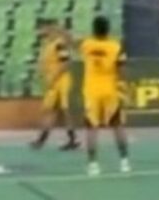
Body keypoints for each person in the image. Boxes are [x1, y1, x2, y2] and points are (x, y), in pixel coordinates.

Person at [79, 14, 131, 176]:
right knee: (117, 126)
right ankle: (124, 161)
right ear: (108, 29)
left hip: (92, 92)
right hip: (110, 91)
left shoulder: (87, 45)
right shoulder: (116, 46)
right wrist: (123, 89)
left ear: (93, 29)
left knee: (92, 128)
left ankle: (93, 164)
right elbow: (121, 69)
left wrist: (57, 30)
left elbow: (71, 41)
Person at [30, 18, 73, 149]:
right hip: (52, 82)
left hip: (61, 81)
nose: (39, 32)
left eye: (41, 29)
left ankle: (71, 139)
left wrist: (53, 78)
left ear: (48, 28)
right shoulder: (46, 45)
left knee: (64, 110)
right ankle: (42, 139)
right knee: (50, 110)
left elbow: (66, 63)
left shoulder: (59, 44)